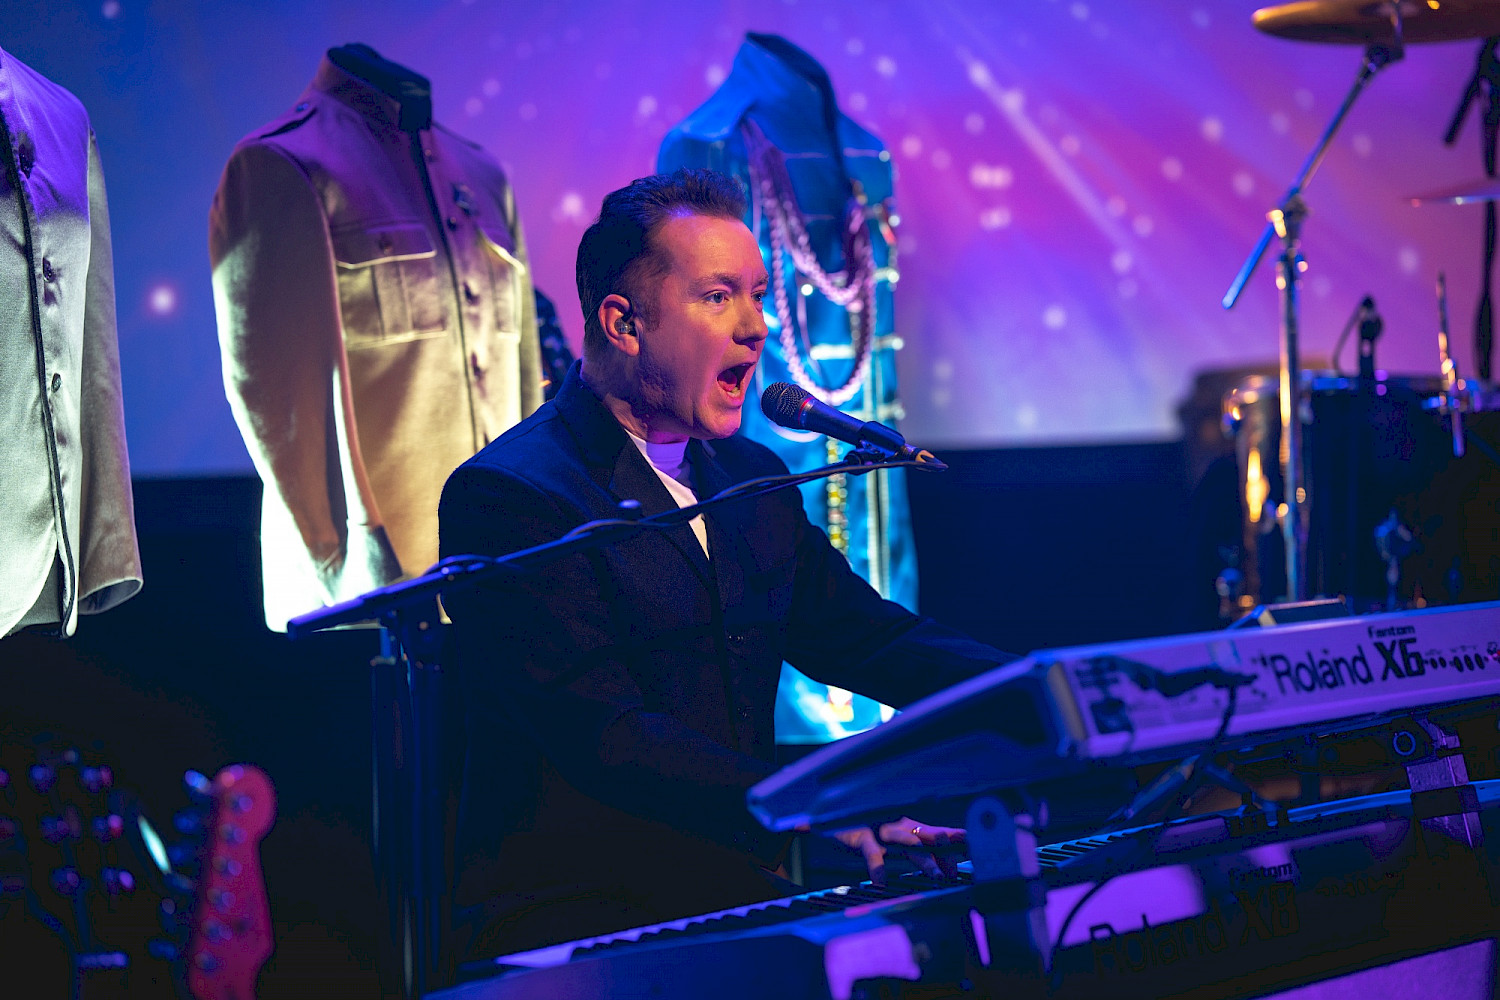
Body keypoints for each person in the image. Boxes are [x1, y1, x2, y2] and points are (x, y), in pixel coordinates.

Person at [438, 168, 1014, 958]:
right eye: (718, 297)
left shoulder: (748, 478)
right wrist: (817, 803)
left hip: (729, 896)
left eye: (758, 295)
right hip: (574, 922)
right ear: (623, 323)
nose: (756, 326)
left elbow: (866, 639)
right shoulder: (512, 495)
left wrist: (1048, 694)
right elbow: (606, 737)